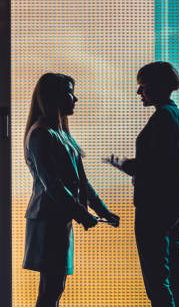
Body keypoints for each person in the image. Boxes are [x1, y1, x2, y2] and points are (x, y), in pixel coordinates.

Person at [23, 73, 120, 307]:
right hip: (47, 220)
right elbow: (53, 184)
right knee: (51, 288)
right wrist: (82, 213)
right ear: (53, 96)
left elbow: (82, 182)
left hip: (58, 218)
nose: (75, 98)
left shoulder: (60, 133)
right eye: (70, 92)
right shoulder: (41, 134)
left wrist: (102, 211)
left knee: (55, 286)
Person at [105, 62, 179, 307]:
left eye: (142, 87)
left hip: (155, 206)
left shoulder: (162, 118)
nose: (138, 93)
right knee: (176, 275)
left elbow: (152, 166)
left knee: (157, 278)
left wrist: (124, 165)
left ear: (155, 87)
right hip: (178, 204)